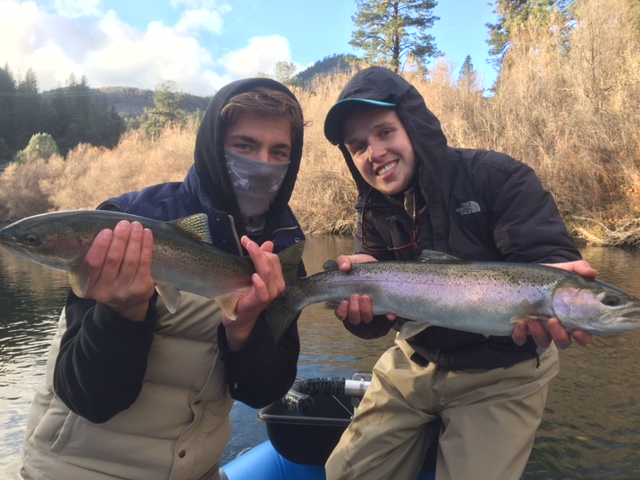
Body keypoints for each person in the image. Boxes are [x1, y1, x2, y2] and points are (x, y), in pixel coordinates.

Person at [20, 78, 306, 480]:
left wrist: (244, 330)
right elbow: (90, 399)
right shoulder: (120, 226)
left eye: (279, 152)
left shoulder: (282, 248)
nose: (262, 163)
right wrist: (122, 314)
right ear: (213, 147)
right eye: (244, 146)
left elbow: (262, 391)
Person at [322, 66, 596, 480]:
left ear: (413, 126)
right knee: (343, 473)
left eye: (384, 133)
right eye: (358, 146)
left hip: (503, 371)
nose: (374, 152)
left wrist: (553, 271)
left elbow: (547, 254)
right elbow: (380, 325)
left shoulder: (497, 177)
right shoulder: (371, 210)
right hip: (414, 358)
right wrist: (363, 314)